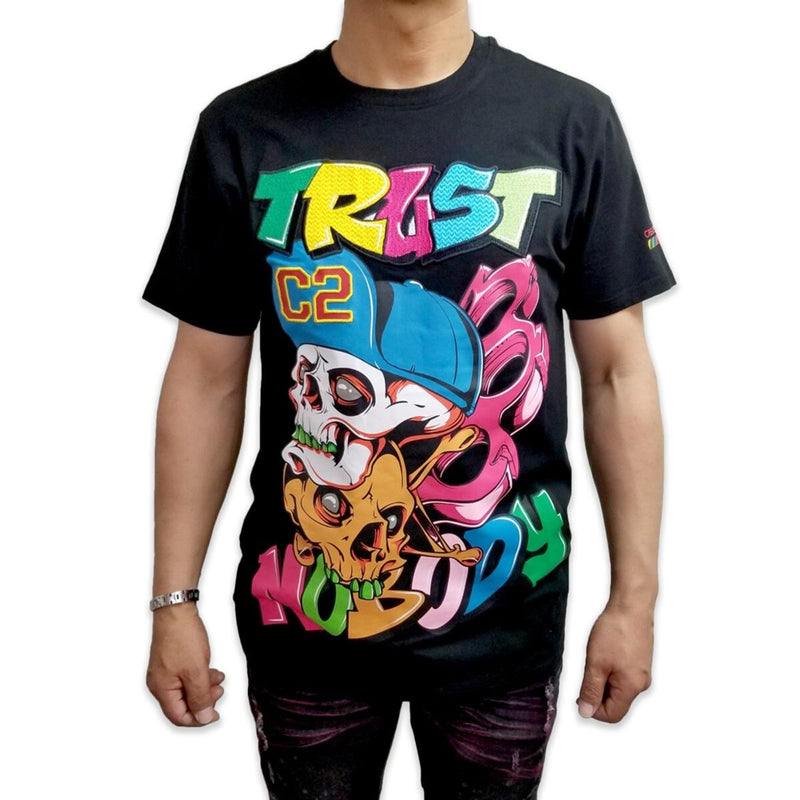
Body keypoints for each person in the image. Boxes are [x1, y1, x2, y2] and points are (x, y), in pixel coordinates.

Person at [143, 1, 676, 797]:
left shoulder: (571, 122)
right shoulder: (244, 128)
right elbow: (206, 377)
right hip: (300, 626)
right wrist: (172, 600)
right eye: (320, 390)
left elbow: (617, 374)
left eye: (352, 396)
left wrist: (634, 602)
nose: (323, 414)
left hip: (504, 635)